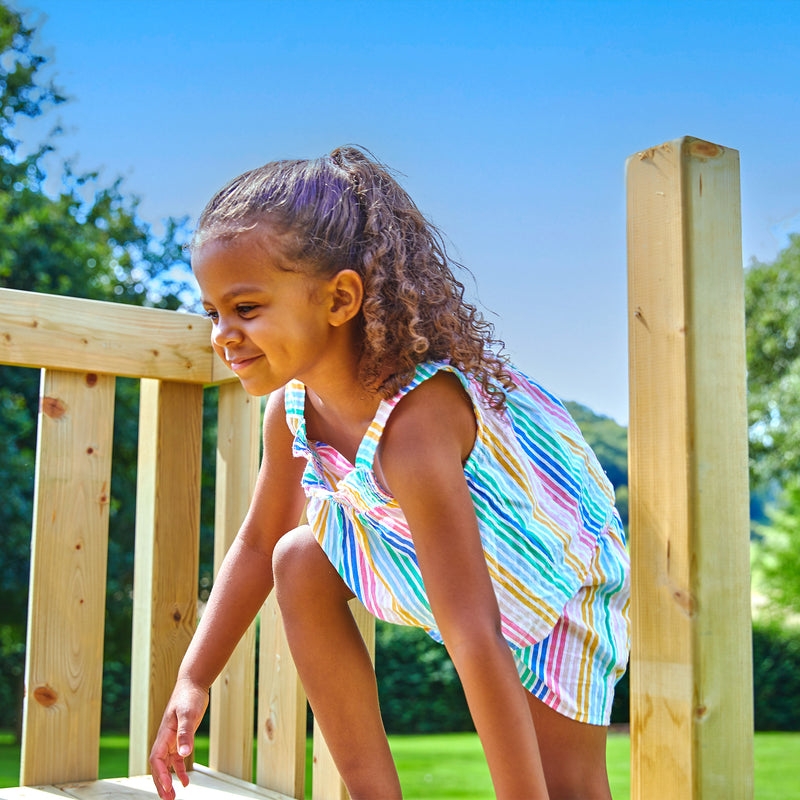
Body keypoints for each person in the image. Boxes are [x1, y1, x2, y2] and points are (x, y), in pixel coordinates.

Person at [149, 146, 630, 800]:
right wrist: (193, 678)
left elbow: (472, 633)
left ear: (341, 298)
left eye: (247, 308)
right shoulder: (289, 414)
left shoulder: (416, 426)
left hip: (555, 571)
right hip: (438, 560)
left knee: (563, 786)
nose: (222, 335)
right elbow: (258, 543)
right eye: (213, 312)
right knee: (298, 558)